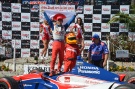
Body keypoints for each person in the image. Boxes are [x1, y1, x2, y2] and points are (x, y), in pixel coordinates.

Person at [44, 12, 76, 76]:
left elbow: (70, 21)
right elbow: (48, 20)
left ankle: (59, 69)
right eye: (59, 20)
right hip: (56, 42)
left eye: (61, 20)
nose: (60, 21)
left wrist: (74, 15)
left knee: (61, 58)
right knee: (53, 57)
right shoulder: (53, 26)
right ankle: (52, 70)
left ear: (62, 21)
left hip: (62, 43)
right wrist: (44, 13)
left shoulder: (64, 26)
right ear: (56, 20)